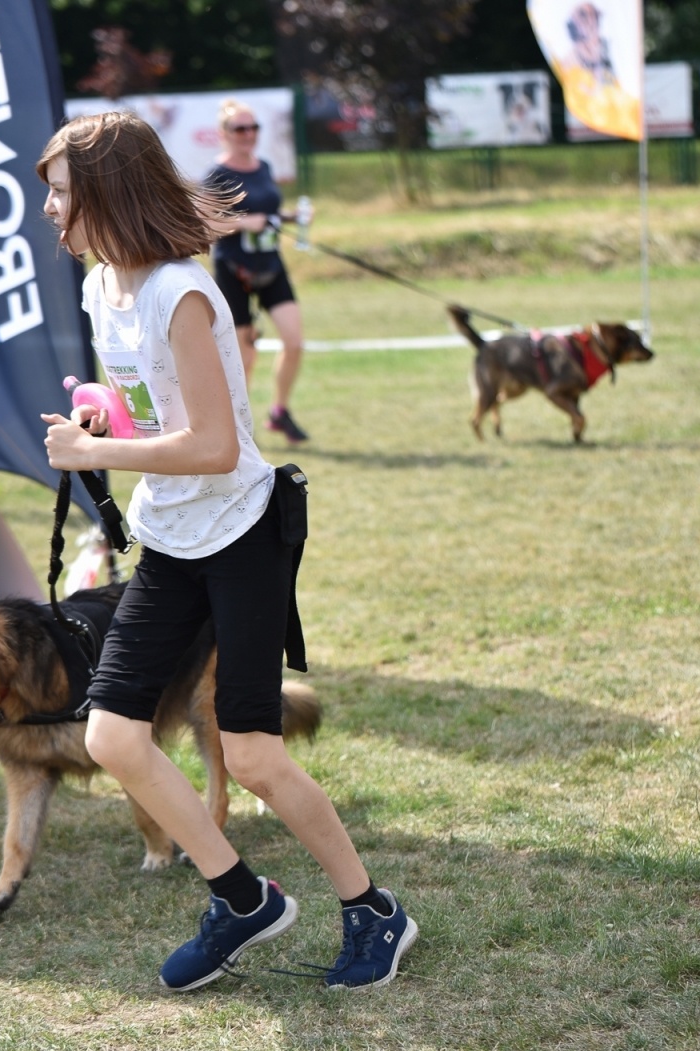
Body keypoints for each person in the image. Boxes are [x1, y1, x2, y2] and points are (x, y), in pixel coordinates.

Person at [35, 111, 417, 991]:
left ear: (108, 193)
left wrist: (94, 454)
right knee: (112, 736)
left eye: (60, 194)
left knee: (251, 756)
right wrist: (101, 415)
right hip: (170, 537)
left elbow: (213, 446)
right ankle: (242, 900)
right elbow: (147, 412)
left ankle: (374, 912)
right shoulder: (101, 288)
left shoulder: (183, 292)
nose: (50, 210)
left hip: (243, 535)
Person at [203, 100, 313, 445]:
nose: (248, 134)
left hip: (270, 264)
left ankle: (279, 412)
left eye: (253, 127)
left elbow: (268, 212)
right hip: (234, 270)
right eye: (240, 129)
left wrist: (292, 217)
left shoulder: (263, 166)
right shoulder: (217, 175)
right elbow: (205, 225)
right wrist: (241, 222)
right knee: (244, 357)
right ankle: (237, 426)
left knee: (294, 341)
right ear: (224, 133)